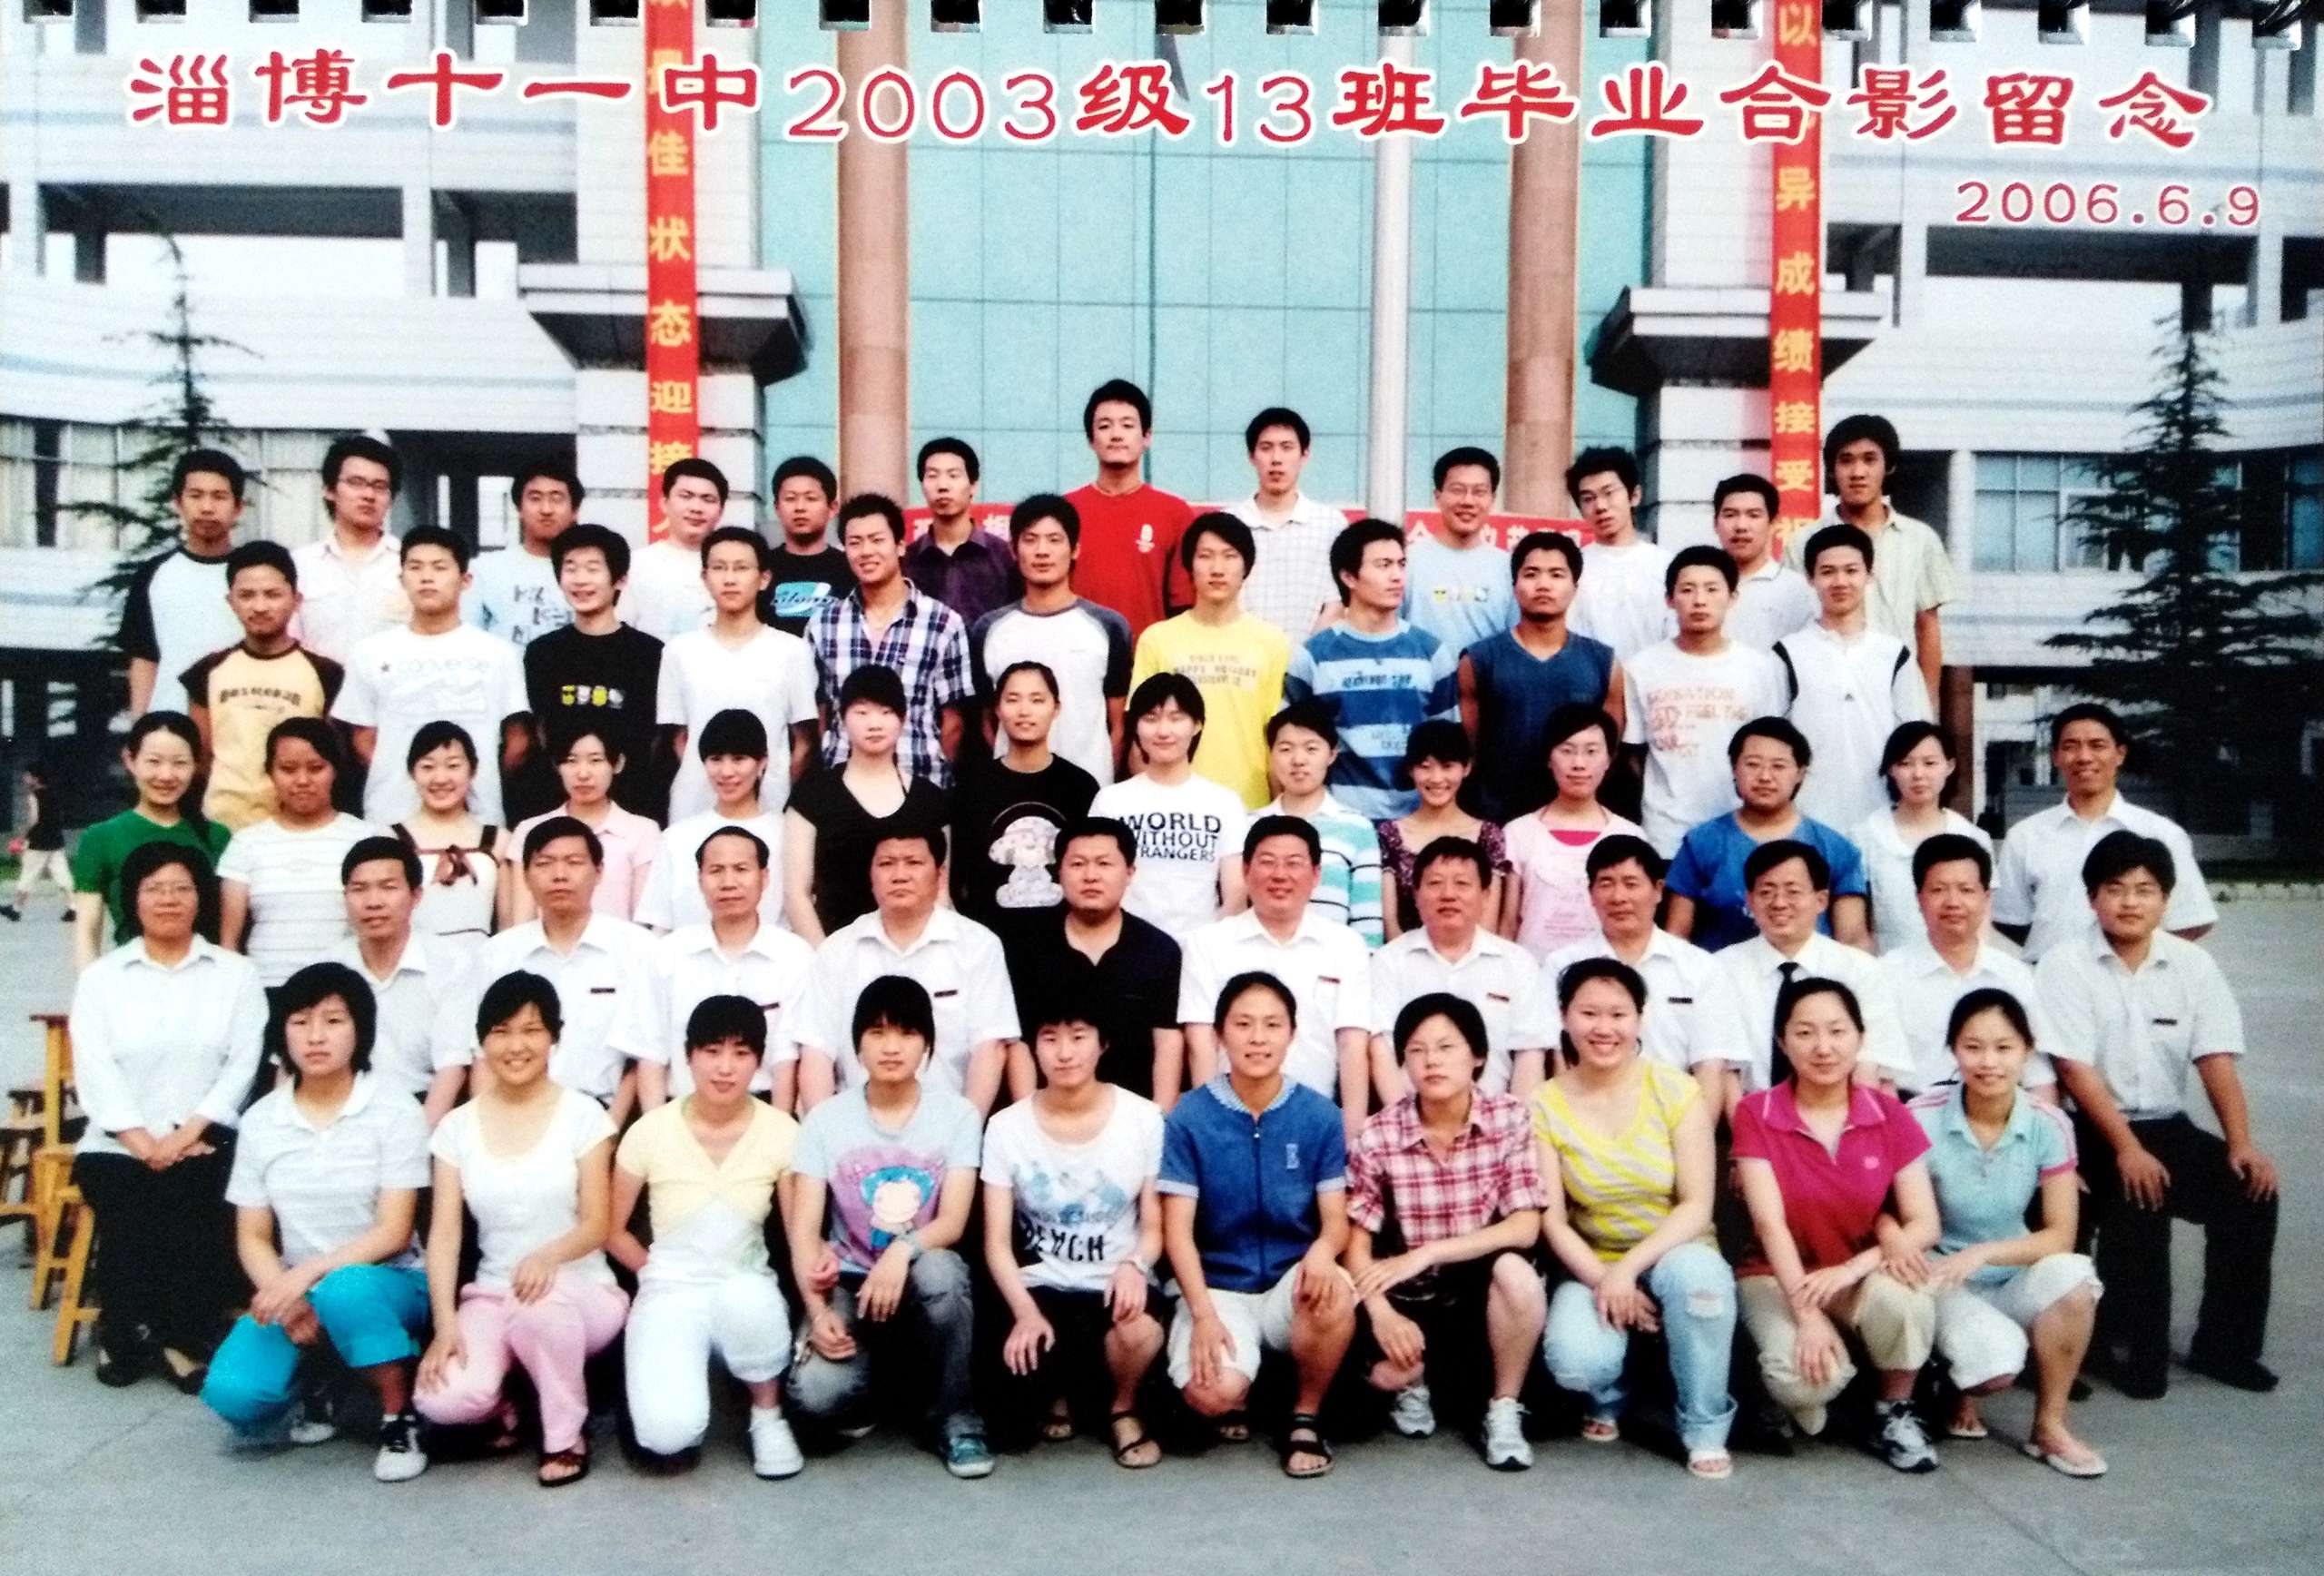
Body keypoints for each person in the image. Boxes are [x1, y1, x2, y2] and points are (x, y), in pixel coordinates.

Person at [2037, 830, 2279, 1398]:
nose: (2129, 902)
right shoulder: (2064, 964)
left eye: (2145, 890)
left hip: (2166, 1123)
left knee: (2250, 1194)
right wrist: (2127, 1148)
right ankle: (2126, 1349)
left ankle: (2225, 1347)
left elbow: (2215, 1058)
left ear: (2166, 900)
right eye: (2115, 889)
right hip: (2090, 1128)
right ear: (2092, 898)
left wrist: (2241, 1143)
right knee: (2140, 1194)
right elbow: (2075, 1070)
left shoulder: (2193, 965)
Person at [201, 962, 432, 1481]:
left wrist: (305, 1277)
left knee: (346, 1290)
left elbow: (394, 1231)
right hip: (298, 1289)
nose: (316, 1036)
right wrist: (285, 1297)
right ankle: (322, 1385)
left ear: (361, 1029)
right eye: (300, 1022)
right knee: (234, 1394)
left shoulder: (395, 1110)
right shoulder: (262, 1120)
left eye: (333, 1020)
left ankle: (399, 1417)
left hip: (388, 1282)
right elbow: (253, 1236)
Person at [415, 970, 627, 1486]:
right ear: (482, 1041)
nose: (516, 1046)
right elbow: (445, 1236)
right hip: (493, 1293)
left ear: (554, 1037)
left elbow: (598, 1223)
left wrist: (548, 1256)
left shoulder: (584, 1115)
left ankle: (564, 1436)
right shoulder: (457, 1128)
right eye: (501, 1032)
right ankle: (508, 1405)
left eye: (532, 1030)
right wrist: (445, 1324)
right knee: (443, 1399)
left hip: (581, 1291)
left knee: (538, 1307)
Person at [69, 841, 266, 1388]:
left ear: (201, 898)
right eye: (154, 888)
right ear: (133, 899)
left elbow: (242, 1064)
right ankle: (135, 1329)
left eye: (182, 888)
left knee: (191, 1191)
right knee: (132, 1191)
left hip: (204, 1137)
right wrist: (143, 1143)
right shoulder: (102, 978)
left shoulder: (235, 974)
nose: (169, 899)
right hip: (116, 1144)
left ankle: (172, 1338)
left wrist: (188, 1133)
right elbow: (95, 1071)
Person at [1533, 959, 1737, 1479]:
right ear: (1565, 1017)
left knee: (1701, 1284)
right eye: (1589, 1014)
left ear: (1640, 1019)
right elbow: (1554, 1223)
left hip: (1677, 1248)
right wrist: (1607, 1279)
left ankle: (1704, 1426)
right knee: (1577, 1362)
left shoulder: (1676, 1090)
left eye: (1618, 1014)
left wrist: (1628, 1272)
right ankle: (1611, 1392)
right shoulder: (1543, 1104)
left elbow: (1696, 1205)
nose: (1604, 1028)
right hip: (1592, 1259)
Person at [1731, 978, 1944, 1471]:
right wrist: (1807, 1314)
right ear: (1783, 1042)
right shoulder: (1756, 1111)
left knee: (1908, 1299)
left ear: (1860, 1037)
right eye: (1805, 1033)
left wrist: (1851, 1269)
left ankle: (1893, 1410)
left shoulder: (1889, 1114)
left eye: (1837, 1031)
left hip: (1854, 1273)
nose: (1823, 1047)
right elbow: (1769, 1223)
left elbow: (1925, 1223)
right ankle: (1822, 1386)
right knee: (1804, 1383)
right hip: (1775, 1274)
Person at [785, 976, 993, 1480]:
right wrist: (816, 1309)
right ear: (857, 1044)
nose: (892, 1046)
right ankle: (878, 1388)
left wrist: (902, 1251)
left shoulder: (958, 1116)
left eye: (906, 1032)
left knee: (943, 1273)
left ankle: (956, 1419)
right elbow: (804, 1230)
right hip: (850, 1282)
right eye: (877, 1033)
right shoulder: (825, 1120)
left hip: (918, 1273)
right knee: (814, 1398)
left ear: (927, 1044)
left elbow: (953, 1221)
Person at [1159, 971, 1356, 1479]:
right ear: (1220, 1035)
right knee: (1211, 1394)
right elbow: (1176, 1232)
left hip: (1291, 1283)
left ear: (1292, 1034)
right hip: (1219, 1287)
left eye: (1272, 1025)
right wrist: (1203, 1314)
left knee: (1334, 1289)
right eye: (1243, 1024)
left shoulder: (1319, 1115)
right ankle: (1245, 1388)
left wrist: (1321, 1253)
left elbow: (1335, 1221)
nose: (1257, 1038)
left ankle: (1305, 1415)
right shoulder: (1190, 1116)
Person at [1904, 990, 2106, 1476]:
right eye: (1973, 1047)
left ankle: (2049, 1427)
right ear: (1953, 1050)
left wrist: (1985, 1254)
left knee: (2075, 1279)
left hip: (2008, 1271)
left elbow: (2061, 1234)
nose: (1988, 1062)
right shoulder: (1921, 1116)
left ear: (2027, 1051)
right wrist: (1952, 1261)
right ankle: (1954, 1384)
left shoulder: (2049, 1122)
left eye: (2004, 1047)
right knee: (1993, 1368)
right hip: (1941, 1278)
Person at [1344, 993, 1544, 1471]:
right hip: (1410, 1296)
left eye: (1446, 1047)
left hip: (1476, 1289)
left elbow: (1525, 1226)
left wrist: (1430, 1251)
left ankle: (1504, 1409)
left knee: (1517, 1273)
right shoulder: (1379, 1133)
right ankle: (1414, 1383)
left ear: (1477, 1057)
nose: (1431, 1060)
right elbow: (1356, 1245)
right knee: (1382, 1376)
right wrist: (1382, 1316)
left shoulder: (1510, 1118)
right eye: (1416, 1050)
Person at [607, 995, 804, 1479]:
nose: (725, 1067)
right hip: (671, 1291)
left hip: (745, 1284)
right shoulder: (649, 1131)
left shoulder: (782, 1131)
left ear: (758, 1060)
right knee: (667, 1434)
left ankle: (766, 1415)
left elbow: (800, 1233)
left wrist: (818, 1305)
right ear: (689, 1056)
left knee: (745, 1298)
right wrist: (656, 1271)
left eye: (741, 1053)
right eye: (712, 1051)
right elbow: (610, 1229)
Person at [980, 992, 1168, 1467]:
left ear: (1102, 1044)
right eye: (1050, 1039)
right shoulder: (1005, 1127)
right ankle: (1057, 1387)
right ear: (1033, 1047)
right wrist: (1024, 1311)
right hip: (1041, 1285)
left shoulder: (1144, 1118)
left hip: (1113, 1284)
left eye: (1078, 1037)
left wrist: (1136, 1264)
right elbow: (996, 1243)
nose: (1064, 1053)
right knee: (1008, 1430)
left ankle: (1122, 1407)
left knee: (1138, 1329)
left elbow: (1154, 1226)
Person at [793, 828, 1019, 1115]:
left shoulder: (978, 945)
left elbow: (990, 1047)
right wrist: (826, 1131)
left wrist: (965, 1129)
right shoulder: (837, 949)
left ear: (940, 875)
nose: (899, 875)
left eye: (913, 862)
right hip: (854, 1124)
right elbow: (817, 1050)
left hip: (948, 1120)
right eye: (886, 863)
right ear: (871, 875)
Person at [1177, 818, 1375, 1139]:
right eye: (1267, 862)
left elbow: (1352, 1044)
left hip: (1316, 1124)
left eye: (1293, 863)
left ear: (1316, 875)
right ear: (1245, 871)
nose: (1280, 875)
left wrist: (1352, 1136)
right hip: (1231, 1120)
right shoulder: (1208, 943)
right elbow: (1201, 1042)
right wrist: (1212, 1130)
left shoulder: (1346, 945)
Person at [446, 818, 655, 1118]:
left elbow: (642, 1057)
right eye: (544, 864)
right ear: (526, 876)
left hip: (604, 1113)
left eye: (574, 862)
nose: (559, 875)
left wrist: (607, 1131)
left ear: (599, 872)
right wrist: (488, 1126)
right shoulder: (498, 954)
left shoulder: (637, 948)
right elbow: (483, 1053)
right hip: (515, 1114)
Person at [335, 526, 531, 827]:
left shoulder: (499, 654)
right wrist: (407, 781)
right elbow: (363, 740)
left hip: (476, 821)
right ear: (401, 578)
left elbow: (516, 743)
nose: (426, 577)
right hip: (392, 817)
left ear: (465, 580)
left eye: (439, 567)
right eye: (415, 567)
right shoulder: (369, 653)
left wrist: (474, 781)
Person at [1544, 836, 1748, 1122]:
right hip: (1587, 1122)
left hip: (1674, 1120)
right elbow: (1561, 1059)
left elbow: (1710, 1067)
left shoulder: (1700, 967)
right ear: (1590, 894)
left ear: (1658, 890)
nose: (1619, 897)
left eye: (1631, 884)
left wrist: (1695, 1137)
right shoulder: (1562, 966)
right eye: (1606, 884)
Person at [1993, 703, 2216, 961]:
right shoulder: (2026, 836)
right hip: (2049, 978)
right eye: (2070, 746)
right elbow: (2010, 919)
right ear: (2055, 756)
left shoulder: (2161, 833)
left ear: (2120, 754)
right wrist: (2059, 955)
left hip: (2132, 979)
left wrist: (2134, 960)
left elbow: (2190, 919)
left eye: (2097, 745)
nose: (2084, 757)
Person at [613, 825, 812, 1113]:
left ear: (765, 877)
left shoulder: (795, 956)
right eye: (716, 870)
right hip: (679, 1111)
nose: (728, 882)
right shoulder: (666, 954)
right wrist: (657, 1128)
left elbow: (788, 1058)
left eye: (741, 869)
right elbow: (650, 1054)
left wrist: (778, 1129)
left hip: (765, 1108)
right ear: (700, 879)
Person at [1709, 841, 1912, 1115]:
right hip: (1751, 1115)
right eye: (1766, 892)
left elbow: (1872, 1066)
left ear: (1821, 900)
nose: (1779, 903)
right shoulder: (1719, 969)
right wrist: (1749, 1134)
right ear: (1750, 900)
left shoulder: (1860, 969)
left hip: (1840, 1117)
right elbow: (1724, 1069)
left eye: (1792, 892)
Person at [1285, 519, 1459, 822]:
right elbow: (1291, 744)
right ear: (1349, 576)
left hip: (1417, 820)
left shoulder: (1432, 653)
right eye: (1383, 565)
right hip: (1339, 822)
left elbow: (1448, 745)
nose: (1397, 576)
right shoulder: (1313, 657)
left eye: (1401, 564)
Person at [1002, 818, 1184, 1105]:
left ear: (1130, 872)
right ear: (1059, 872)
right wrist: (1026, 1118)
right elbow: (1019, 1042)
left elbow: (1167, 1042)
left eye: (1104, 864)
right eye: (1077, 864)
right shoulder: (1027, 947)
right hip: (1048, 1110)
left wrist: (1160, 1118)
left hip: (1133, 1112)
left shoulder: (1159, 950)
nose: (1090, 876)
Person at [1620, 546, 1787, 856]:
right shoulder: (1641, 668)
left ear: (1732, 597)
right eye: (1687, 590)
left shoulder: (1758, 668)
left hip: (1742, 829)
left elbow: (1770, 746)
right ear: (1669, 599)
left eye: (1712, 589)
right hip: (1666, 835)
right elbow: (1634, 755)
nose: (1699, 600)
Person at [807, 493, 976, 791]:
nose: (866, 551)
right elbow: (820, 714)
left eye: (877, 540)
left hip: (919, 786)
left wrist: (929, 792)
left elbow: (954, 723)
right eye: (855, 542)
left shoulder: (942, 623)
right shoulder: (823, 624)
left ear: (899, 545)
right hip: (843, 790)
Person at [1774, 524, 1932, 833]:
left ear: (1870, 575)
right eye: (1828, 572)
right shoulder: (1787, 653)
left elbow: (1919, 740)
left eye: (1851, 571)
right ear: (1810, 578)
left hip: (1882, 821)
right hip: (1804, 821)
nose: (1840, 582)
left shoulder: (1894, 654)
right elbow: (1767, 742)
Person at [655, 526, 818, 825]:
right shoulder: (679, 652)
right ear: (705, 577)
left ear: (764, 578)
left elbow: (804, 741)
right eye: (719, 568)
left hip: (769, 807)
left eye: (741, 568)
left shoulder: (792, 651)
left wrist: (780, 788)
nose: (729, 579)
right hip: (694, 807)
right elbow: (677, 738)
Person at [1666, 716, 1872, 953]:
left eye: (1778, 766)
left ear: (1800, 773)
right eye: (1753, 764)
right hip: (1723, 973)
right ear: (1734, 769)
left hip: (1812, 974)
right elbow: (1677, 935)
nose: (1765, 776)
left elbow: (1853, 940)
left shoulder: (1836, 849)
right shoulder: (1701, 843)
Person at [1786, 414, 1952, 707]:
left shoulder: (1920, 539)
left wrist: (1927, 709)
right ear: (1832, 469)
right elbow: (1795, 622)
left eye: (1870, 459)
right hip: (1825, 692)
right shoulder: (1803, 542)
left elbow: (1927, 628)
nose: (1858, 472)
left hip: (1896, 694)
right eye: (1846, 460)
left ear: (1889, 466)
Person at [1879, 834, 2062, 1100]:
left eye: (1966, 890)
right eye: (1938, 890)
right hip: (1911, 1113)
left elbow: (2038, 1078)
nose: (1953, 902)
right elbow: (1879, 1078)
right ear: (1919, 899)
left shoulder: (2016, 976)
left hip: (2001, 1114)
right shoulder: (1886, 975)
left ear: (1986, 898)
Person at [1129, 512, 1292, 809]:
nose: (1217, 569)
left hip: (1248, 804)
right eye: (1205, 556)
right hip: (1173, 808)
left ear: (1246, 567)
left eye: (1230, 556)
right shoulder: (1158, 639)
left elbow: (1277, 737)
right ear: (1190, 566)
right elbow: (1139, 738)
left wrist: (1277, 809)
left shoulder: (1272, 642)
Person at [182, 540, 346, 832]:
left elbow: (333, 762)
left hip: (296, 829)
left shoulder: (326, 674)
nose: (260, 607)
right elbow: (201, 758)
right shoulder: (208, 671)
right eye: (246, 595)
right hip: (222, 825)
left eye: (272, 595)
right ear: (230, 601)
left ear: (296, 600)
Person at [968, 494, 1131, 786]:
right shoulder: (989, 630)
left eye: (1054, 540)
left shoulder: (1109, 627)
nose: (1042, 551)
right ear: (1014, 550)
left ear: (1075, 549)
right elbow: (988, 722)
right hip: (1011, 793)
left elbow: (1118, 726)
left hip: (1089, 790)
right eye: (1030, 540)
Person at [1459, 530, 1620, 823]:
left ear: (1575, 587)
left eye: (1557, 575)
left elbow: (1610, 749)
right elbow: (1471, 747)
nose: (1543, 584)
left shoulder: (1603, 662)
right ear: (1515, 585)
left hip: (1575, 818)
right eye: (1531, 574)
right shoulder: (1479, 659)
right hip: (1495, 815)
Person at [1370, 838, 1546, 1100]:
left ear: (1485, 896)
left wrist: (1516, 1119)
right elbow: (1380, 1048)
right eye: (1435, 883)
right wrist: (1401, 1117)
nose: (1448, 894)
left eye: (1462, 883)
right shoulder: (1389, 960)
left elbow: (1529, 1052)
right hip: (1409, 1112)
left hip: (1496, 1114)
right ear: (1416, 895)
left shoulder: (1517, 962)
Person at [786, 668, 950, 941]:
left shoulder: (929, 800)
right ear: (842, 719)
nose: (874, 724)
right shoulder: (812, 795)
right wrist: (827, 957)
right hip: (834, 949)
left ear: (903, 719)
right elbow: (796, 894)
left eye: (886, 712)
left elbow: (941, 891)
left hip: (914, 951)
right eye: (862, 713)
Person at [218, 719, 376, 988]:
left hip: (344, 990)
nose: (302, 780)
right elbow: (229, 944)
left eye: (316, 768)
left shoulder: (367, 839)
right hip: (266, 988)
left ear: (335, 770)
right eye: (288, 769)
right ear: (270, 772)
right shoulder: (246, 844)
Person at [523, 523, 666, 817]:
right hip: (559, 804)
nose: (580, 580)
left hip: (633, 804)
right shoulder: (543, 653)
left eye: (592, 569)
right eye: (571, 568)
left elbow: (656, 739)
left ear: (620, 579)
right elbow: (538, 733)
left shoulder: (650, 653)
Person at [71, 711, 231, 970]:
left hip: (205, 978)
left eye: (180, 763)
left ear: (196, 765)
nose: (166, 775)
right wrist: (89, 988)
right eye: (154, 762)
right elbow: (87, 932)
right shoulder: (100, 838)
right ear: (130, 760)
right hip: (133, 978)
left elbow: (229, 929)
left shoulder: (218, 837)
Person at [1090, 674, 1249, 936]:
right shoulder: (1111, 802)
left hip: (1199, 950)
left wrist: (1208, 949)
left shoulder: (1224, 803)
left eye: (1176, 718)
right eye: (1150, 718)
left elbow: (1235, 897)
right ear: (1136, 727)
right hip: (1127, 947)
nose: (1163, 731)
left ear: (1197, 725)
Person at [327, 836, 472, 1122]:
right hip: (339, 1113)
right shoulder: (327, 968)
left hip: (423, 1108)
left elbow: (452, 1067)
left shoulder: (451, 964)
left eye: (388, 887)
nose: (373, 902)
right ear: (345, 897)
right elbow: (293, 1065)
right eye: (359, 889)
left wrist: (418, 1139)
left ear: (416, 896)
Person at [949, 661, 1098, 935]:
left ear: (1056, 708)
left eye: (1037, 700)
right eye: (1013, 699)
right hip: (988, 940)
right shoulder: (971, 788)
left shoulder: (1080, 787)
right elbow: (957, 878)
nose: (1024, 711)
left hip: (1066, 941)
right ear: (997, 709)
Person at [1501, 705, 1640, 959]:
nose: (1578, 764)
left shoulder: (1630, 837)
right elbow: (1509, 923)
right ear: (1548, 758)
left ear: (1609, 759)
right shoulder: (1518, 833)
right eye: (1567, 751)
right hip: (1533, 971)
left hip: (1604, 973)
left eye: (1591, 751)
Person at [1065, 378, 1196, 640]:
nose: (1116, 435)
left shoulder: (1175, 513)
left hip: (1149, 658)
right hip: (1075, 654)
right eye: (1105, 426)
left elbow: (1184, 608)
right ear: (1091, 439)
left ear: (1147, 437)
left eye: (1127, 425)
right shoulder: (1065, 512)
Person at [121, 448, 247, 716]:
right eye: (196, 495)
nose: (207, 507)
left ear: (238, 507)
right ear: (178, 503)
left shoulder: (253, 574)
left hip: (239, 725)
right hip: (169, 726)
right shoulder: (153, 574)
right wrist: (139, 726)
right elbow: (144, 659)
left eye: (219, 496)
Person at [642, 708, 788, 934]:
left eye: (739, 759)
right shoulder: (677, 837)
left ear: (762, 763)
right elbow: (660, 926)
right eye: (716, 759)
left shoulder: (787, 835)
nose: (726, 771)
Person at [1856, 721, 1991, 954]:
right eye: (1905, 763)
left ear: (1949, 766)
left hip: (1956, 968)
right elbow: (1857, 930)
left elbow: (1982, 925)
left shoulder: (1973, 838)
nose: (1918, 774)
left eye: (1929, 763)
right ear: (1891, 769)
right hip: (1887, 967)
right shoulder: (1864, 837)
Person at [506, 726, 662, 925]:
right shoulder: (528, 830)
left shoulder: (643, 831)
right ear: (557, 765)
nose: (583, 773)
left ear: (618, 763)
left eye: (595, 760)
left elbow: (643, 921)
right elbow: (522, 921)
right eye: (571, 761)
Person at [1262, 701, 1385, 946]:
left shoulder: (1357, 828)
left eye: (1311, 749)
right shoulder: (1250, 825)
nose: (1298, 760)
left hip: (1333, 964)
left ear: (1332, 754)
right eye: (1285, 749)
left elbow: (1368, 924)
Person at [1373, 718, 1504, 944]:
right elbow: (1390, 923)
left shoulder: (1488, 836)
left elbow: (1487, 925)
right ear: (1411, 770)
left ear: (1466, 768)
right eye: (1425, 767)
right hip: (1404, 958)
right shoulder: (1389, 834)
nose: (1436, 778)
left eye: (1447, 766)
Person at [1227, 407, 1344, 641]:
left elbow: (1336, 603)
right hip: (1242, 656)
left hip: (1309, 657)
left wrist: (1305, 656)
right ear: (1252, 456)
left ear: (1304, 455)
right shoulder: (1229, 524)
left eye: (1287, 447)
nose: (1276, 459)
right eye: (1266, 448)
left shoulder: (1331, 524)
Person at [292, 436, 409, 665]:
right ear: (329, 490)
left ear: (391, 498)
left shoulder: (410, 564)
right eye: (356, 482)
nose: (368, 495)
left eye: (380, 486)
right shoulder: (299, 565)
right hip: (317, 687)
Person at [389, 723, 505, 942]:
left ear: (472, 770)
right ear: (412, 772)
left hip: (481, 959)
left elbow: (509, 927)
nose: (440, 778)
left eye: (453, 766)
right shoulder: (390, 839)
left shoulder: (499, 840)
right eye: (428, 767)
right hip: (415, 958)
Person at [1403, 447, 1516, 655]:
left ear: (1492, 499)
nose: (1468, 501)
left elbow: (1516, 641)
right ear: (1438, 496)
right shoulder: (1408, 562)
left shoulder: (1509, 567)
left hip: (1487, 676)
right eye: (1457, 490)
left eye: (1479, 492)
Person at [1565, 447, 1673, 663]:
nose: (1600, 506)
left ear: (1635, 495)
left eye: (1609, 493)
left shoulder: (1666, 565)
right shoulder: (1572, 569)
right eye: (1588, 498)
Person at [907, 437, 1019, 629]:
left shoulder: (1004, 556)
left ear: (973, 486)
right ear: (922, 486)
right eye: (932, 476)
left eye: (953, 475)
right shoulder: (907, 560)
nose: (942, 486)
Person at [466, 461, 579, 650]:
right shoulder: (484, 569)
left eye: (556, 499)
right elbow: (468, 638)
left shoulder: (595, 573)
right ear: (519, 508)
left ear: (575, 510)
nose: (546, 509)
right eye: (535, 498)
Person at [623, 457, 726, 640]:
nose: (696, 508)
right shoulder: (636, 564)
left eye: (708, 499)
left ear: (721, 511)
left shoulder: (733, 568)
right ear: (664, 503)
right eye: (686, 496)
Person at [1710, 474, 1815, 650]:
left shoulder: (1798, 591)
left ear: (1773, 523)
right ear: (1715, 523)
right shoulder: (1696, 589)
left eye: (1753, 515)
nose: (1741, 526)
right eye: (1730, 515)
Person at [763, 455, 854, 635]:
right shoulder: (761, 566)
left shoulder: (851, 568)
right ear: (777, 508)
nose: (800, 507)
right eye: (790, 498)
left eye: (811, 498)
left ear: (832, 508)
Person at [3, 762, 71, 922]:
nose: (24, 778)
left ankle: (16, 909)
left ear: (36, 778)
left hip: (38, 842)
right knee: (62, 874)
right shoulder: (54, 794)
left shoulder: (34, 796)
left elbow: (34, 819)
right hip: (56, 840)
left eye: (27, 775)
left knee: (28, 874)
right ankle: (73, 907)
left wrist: (22, 837)